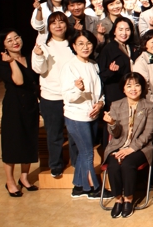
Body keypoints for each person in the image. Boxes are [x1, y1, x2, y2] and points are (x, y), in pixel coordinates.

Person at [103, 73, 153, 218]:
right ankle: (118, 199)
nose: (133, 89)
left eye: (137, 85)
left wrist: (131, 149)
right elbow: (115, 134)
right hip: (117, 145)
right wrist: (112, 123)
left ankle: (128, 199)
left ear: (142, 88)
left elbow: (148, 134)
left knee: (127, 164)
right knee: (113, 165)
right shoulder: (116, 105)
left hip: (141, 148)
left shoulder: (149, 106)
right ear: (123, 89)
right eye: (129, 86)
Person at [61, 29, 105, 199]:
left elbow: (99, 92)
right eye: (80, 44)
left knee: (83, 151)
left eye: (88, 43)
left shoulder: (93, 64)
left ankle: (79, 186)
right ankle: (93, 188)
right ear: (73, 46)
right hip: (76, 117)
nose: (85, 47)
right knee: (87, 153)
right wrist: (78, 89)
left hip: (92, 115)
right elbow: (68, 96)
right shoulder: (69, 67)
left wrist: (100, 104)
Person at [0, 29, 40, 197]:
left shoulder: (30, 58)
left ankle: (24, 178)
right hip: (13, 107)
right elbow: (19, 80)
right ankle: (10, 182)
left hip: (30, 104)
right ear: (4, 46)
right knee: (12, 143)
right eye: (9, 40)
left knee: (29, 140)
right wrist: (11, 61)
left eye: (16, 38)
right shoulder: (2, 65)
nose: (15, 42)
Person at [32, 12, 74, 179]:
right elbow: (39, 69)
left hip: (72, 96)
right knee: (54, 134)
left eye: (61, 22)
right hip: (51, 97)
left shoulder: (73, 44)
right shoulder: (43, 46)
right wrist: (39, 55)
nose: (58, 26)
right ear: (49, 27)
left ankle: (76, 162)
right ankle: (55, 165)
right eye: (54, 23)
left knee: (74, 133)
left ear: (66, 25)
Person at [98, 17, 136, 111]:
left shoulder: (132, 47)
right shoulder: (108, 49)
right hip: (115, 95)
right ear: (114, 31)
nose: (124, 33)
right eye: (120, 29)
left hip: (131, 92)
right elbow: (102, 75)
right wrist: (111, 71)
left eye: (127, 29)